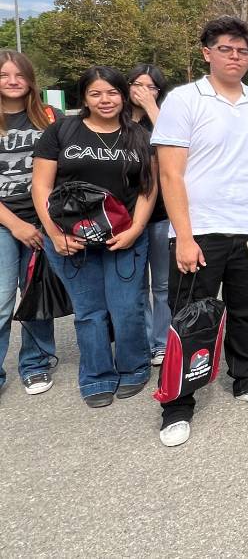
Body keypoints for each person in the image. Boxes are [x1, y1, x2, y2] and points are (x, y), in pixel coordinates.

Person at [152, 16, 248, 447]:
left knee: (245, 312)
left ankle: (246, 378)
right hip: (202, 231)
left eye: (242, 51)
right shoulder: (184, 100)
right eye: (225, 49)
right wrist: (184, 236)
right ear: (207, 52)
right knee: (191, 317)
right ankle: (177, 402)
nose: (234, 57)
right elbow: (170, 174)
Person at [33, 66, 157, 408]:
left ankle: (133, 368)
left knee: (127, 307)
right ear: (84, 97)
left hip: (124, 237)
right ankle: (96, 376)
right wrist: (55, 232)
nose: (105, 100)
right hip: (72, 240)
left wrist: (135, 229)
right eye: (96, 93)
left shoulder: (139, 135)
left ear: (123, 94)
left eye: (112, 92)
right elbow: (41, 185)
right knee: (89, 311)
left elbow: (149, 188)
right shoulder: (62, 130)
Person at [0, 50, 59, 399]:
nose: (12, 81)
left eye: (18, 75)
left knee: (36, 294)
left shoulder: (49, 117)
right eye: (4, 75)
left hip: (41, 218)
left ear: (30, 79)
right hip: (5, 222)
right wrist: (16, 225)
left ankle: (35, 362)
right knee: (3, 299)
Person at [127, 64, 171, 366]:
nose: (143, 91)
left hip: (162, 213)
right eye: (138, 84)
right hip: (123, 216)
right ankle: (141, 339)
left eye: (151, 86)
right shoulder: (114, 120)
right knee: (135, 285)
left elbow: (174, 144)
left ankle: (163, 342)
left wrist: (152, 107)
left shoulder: (165, 118)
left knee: (164, 284)